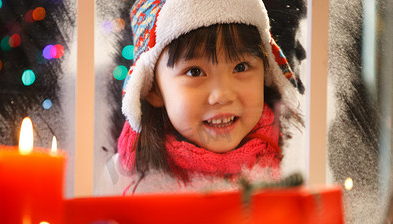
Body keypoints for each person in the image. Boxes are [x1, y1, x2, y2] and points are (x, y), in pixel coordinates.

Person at [98, 0, 304, 195]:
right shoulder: (124, 177)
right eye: (195, 72)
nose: (222, 96)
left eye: (240, 67)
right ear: (153, 89)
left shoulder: (290, 169)